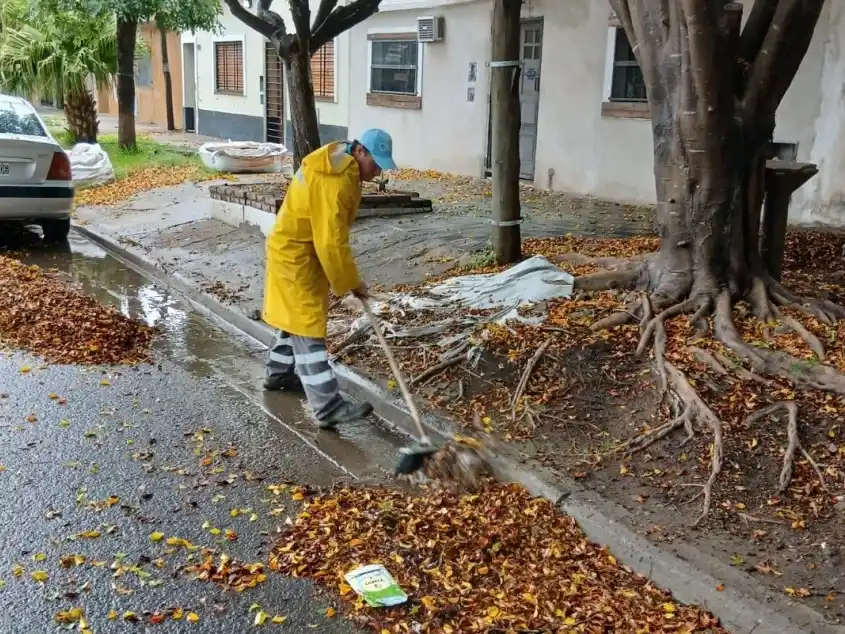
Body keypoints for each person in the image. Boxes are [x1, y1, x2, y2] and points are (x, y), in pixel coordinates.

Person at [262, 129, 397, 429]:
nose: (378, 172)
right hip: (296, 256)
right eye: (376, 163)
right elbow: (331, 242)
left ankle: (279, 374)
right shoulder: (335, 178)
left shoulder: (340, 162)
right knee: (308, 328)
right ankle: (327, 407)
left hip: (299, 251)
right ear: (360, 151)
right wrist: (351, 283)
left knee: (294, 320)